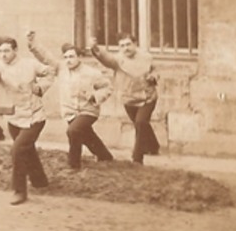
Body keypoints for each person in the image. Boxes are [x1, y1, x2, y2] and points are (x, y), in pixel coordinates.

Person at [0, 35, 55, 204]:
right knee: (27, 149)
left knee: (18, 150)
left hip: (34, 117)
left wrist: (40, 87)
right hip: (14, 118)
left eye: (7, 50)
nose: (3, 54)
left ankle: (19, 191)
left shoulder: (30, 64)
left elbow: (50, 71)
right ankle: (40, 181)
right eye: (0, 51)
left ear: (15, 50)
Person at [28, 34, 114, 170]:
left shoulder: (92, 73)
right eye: (66, 57)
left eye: (72, 56)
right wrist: (33, 44)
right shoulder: (61, 69)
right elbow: (46, 57)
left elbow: (108, 87)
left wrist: (95, 95)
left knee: (73, 131)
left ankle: (74, 165)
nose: (68, 60)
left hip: (88, 110)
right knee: (86, 135)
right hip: (70, 112)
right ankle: (105, 156)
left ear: (79, 57)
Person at [89, 34, 160, 164]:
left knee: (140, 123)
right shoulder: (117, 60)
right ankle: (153, 146)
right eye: (122, 45)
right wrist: (95, 48)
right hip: (129, 99)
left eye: (128, 44)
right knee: (141, 124)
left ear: (135, 44)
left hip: (147, 97)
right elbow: (106, 58)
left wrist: (153, 77)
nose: (126, 48)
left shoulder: (146, 57)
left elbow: (155, 70)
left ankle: (137, 159)